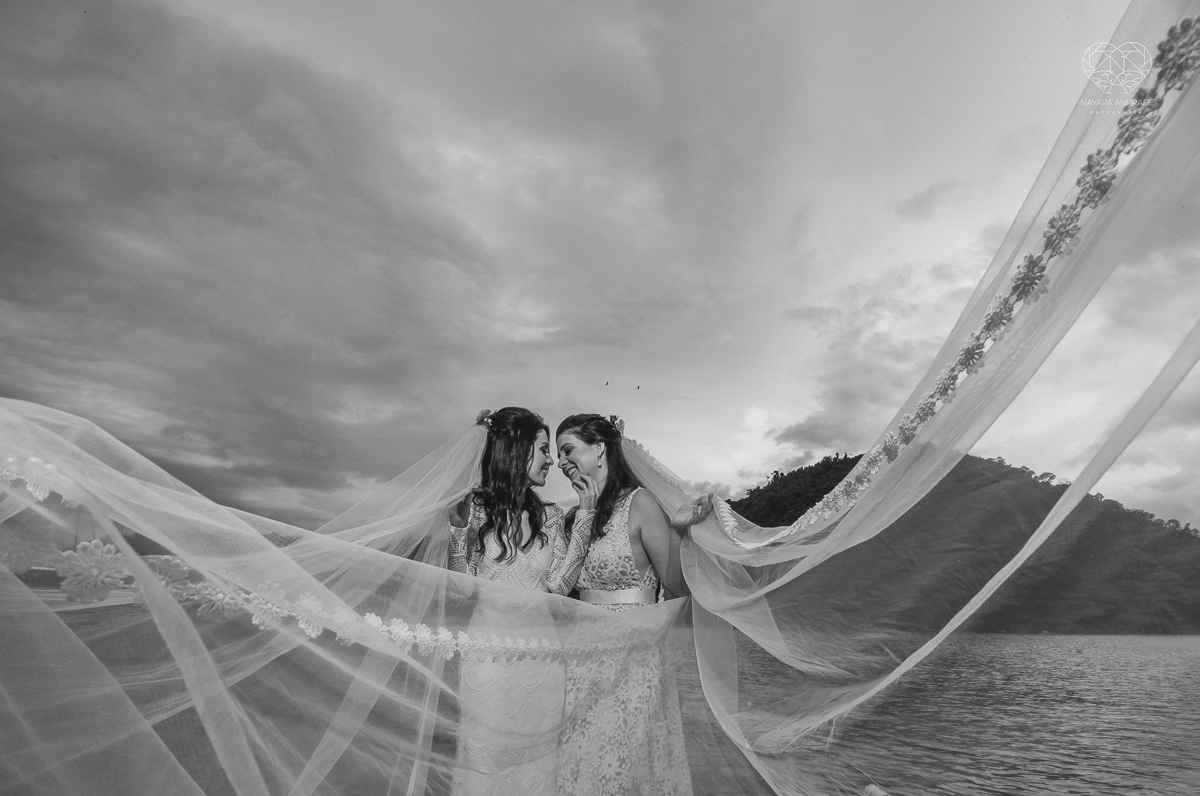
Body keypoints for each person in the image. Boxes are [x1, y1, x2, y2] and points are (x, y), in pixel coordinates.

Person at [553, 413, 711, 796]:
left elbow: (676, 587)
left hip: (632, 659)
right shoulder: (574, 516)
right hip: (580, 662)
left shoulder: (640, 504)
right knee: (583, 765)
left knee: (623, 764)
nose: (560, 462)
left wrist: (681, 531)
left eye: (568, 450)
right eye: (557, 455)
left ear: (601, 449)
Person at [447, 407, 593, 796]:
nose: (551, 460)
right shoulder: (474, 509)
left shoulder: (549, 515)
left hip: (544, 661)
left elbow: (560, 587)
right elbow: (462, 590)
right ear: (517, 451)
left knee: (537, 771)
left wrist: (585, 518)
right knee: (485, 766)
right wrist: (459, 530)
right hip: (489, 661)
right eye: (544, 449)